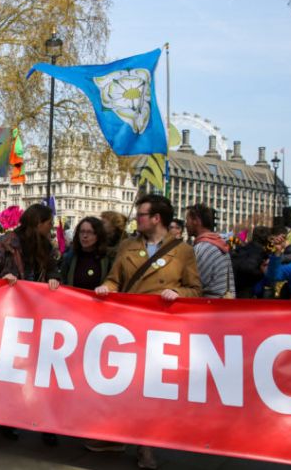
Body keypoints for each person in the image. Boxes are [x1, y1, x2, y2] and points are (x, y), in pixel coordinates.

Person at [94, 194, 200, 470]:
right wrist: (107, 288)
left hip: (161, 328)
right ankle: (119, 435)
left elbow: (195, 289)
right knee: (128, 383)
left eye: (141, 214)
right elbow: (114, 278)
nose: (136, 218)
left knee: (151, 387)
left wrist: (178, 292)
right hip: (129, 325)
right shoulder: (128, 246)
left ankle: (146, 444)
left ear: (156, 219)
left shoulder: (183, 251)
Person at [0, 203, 60, 443]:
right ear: (38, 223)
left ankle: (46, 425)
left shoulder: (46, 246)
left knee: (41, 372)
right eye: (48, 223)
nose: (51, 228)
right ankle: (8, 419)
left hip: (39, 314)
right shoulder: (7, 242)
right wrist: (3, 279)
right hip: (12, 315)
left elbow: (55, 271)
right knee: (13, 370)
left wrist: (54, 279)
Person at [185, 204, 235, 298]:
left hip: (209, 307)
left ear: (196, 221)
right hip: (223, 304)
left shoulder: (202, 248)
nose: (186, 224)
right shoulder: (219, 243)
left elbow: (195, 283)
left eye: (187, 220)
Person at [59, 216, 113, 290]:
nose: (84, 236)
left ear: (98, 235)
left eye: (89, 232)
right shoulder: (70, 257)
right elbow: (62, 280)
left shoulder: (107, 259)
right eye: (82, 232)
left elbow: (112, 282)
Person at [231, 226, 271, 299]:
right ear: (266, 239)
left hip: (235, 287)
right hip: (247, 290)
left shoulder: (244, 248)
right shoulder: (259, 252)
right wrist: (261, 273)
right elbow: (249, 268)